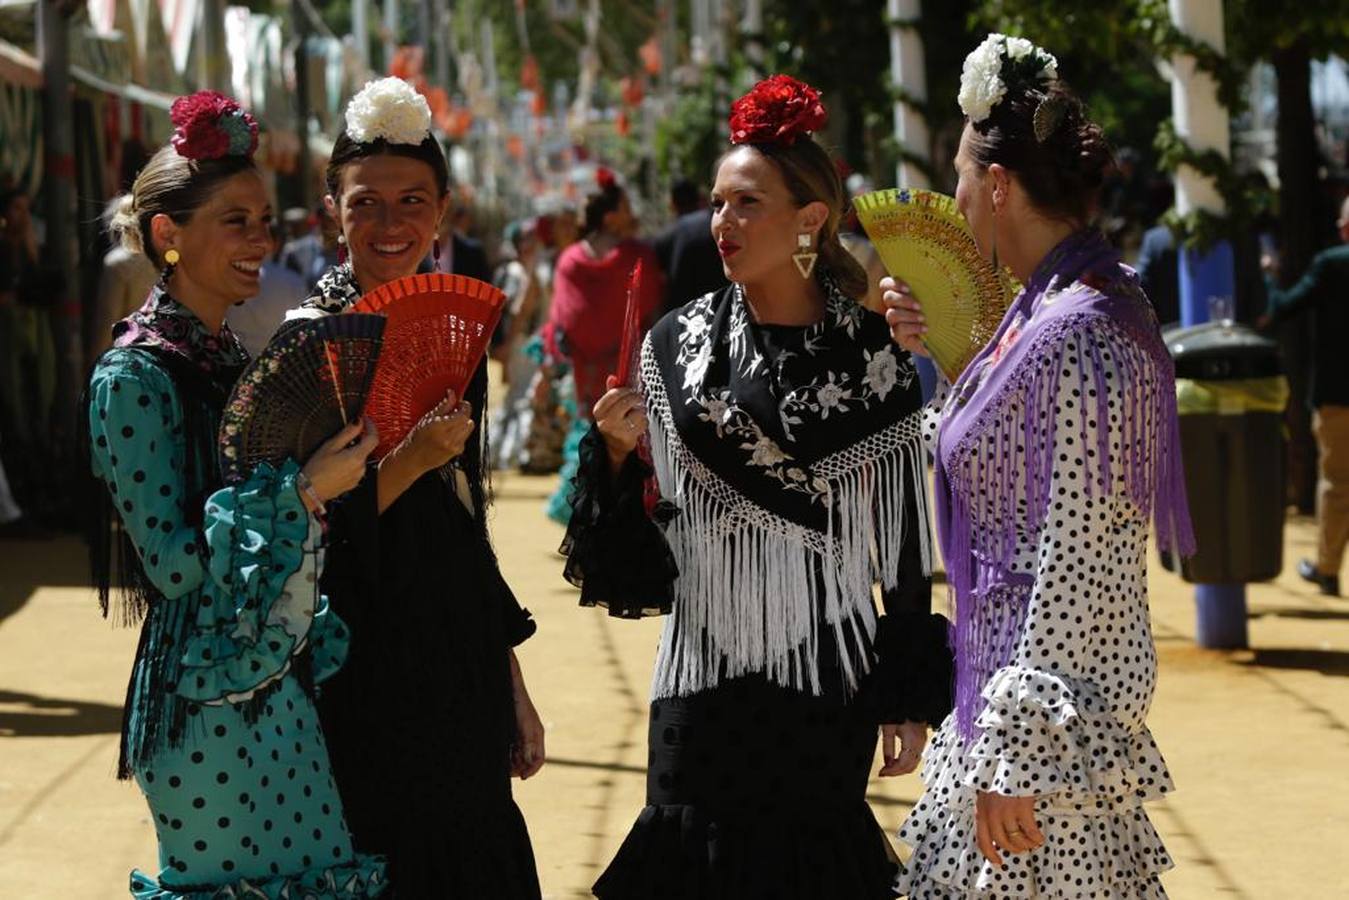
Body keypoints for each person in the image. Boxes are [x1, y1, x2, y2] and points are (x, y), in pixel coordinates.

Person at [562, 75, 951, 900]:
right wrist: (617, 453)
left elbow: (905, 541)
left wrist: (906, 690)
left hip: (823, 674)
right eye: (716, 203)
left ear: (810, 219)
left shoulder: (873, 356)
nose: (723, 223)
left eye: (746, 204)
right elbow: (638, 552)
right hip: (698, 670)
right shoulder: (674, 344)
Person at [883, 35, 1194, 897]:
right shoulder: (1046, 311)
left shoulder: (1083, 324)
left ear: (997, 185)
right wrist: (948, 366)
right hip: (999, 705)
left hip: (1039, 752)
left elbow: (1084, 556)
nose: (949, 200)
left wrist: (1017, 751)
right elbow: (1003, 475)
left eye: (957, 176)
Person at [85, 90, 386, 897]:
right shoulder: (133, 378)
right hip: (201, 699)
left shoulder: (223, 359)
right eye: (236, 221)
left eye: (265, 221)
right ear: (166, 236)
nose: (262, 240)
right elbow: (177, 567)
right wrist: (300, 488)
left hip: (272, 676)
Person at [287, 77, 545, 898]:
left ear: (443, 210)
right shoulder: (307, 343)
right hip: (355, 659)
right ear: (333, 209)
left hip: (457, 655)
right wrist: (409, 460)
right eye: (366, 202)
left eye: (412, 201)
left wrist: (510, 681)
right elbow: (304, 526)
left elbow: (464, 522)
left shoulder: (451, 331)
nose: (390, 224)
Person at [542, 167, 664, 524]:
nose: (632, 214)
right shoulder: (636, 254)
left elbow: (564, 317)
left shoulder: (570, 260)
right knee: (635, 443)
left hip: (586, 368)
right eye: (626, 207)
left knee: (587, 436)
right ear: (611, 216)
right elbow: (654, 308)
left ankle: (584, 511)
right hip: (630, 367)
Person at [1259, 194, 1349, 596]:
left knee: (1337, 483)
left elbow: (1284, 307)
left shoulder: (1331, 265)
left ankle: (1328, 569)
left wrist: (1269, 275)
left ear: (1344, 228)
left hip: (1337, 395)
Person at [90, 196, 159, 365]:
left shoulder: (117, 264)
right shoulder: (165, 256)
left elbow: (109, 319)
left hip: (127, 357)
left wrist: (92, 363)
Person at [225, 222, 308, 357]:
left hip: (243, 364)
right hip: (282, 361)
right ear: (275, 243)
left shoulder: (229, 280)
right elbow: (303, 327)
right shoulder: (293, 280)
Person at [650, 177, 728, 315]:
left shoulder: (665, 238)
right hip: (726, 311)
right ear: (700, 198)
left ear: (672, 204)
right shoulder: (720, 225)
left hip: (685, 319)